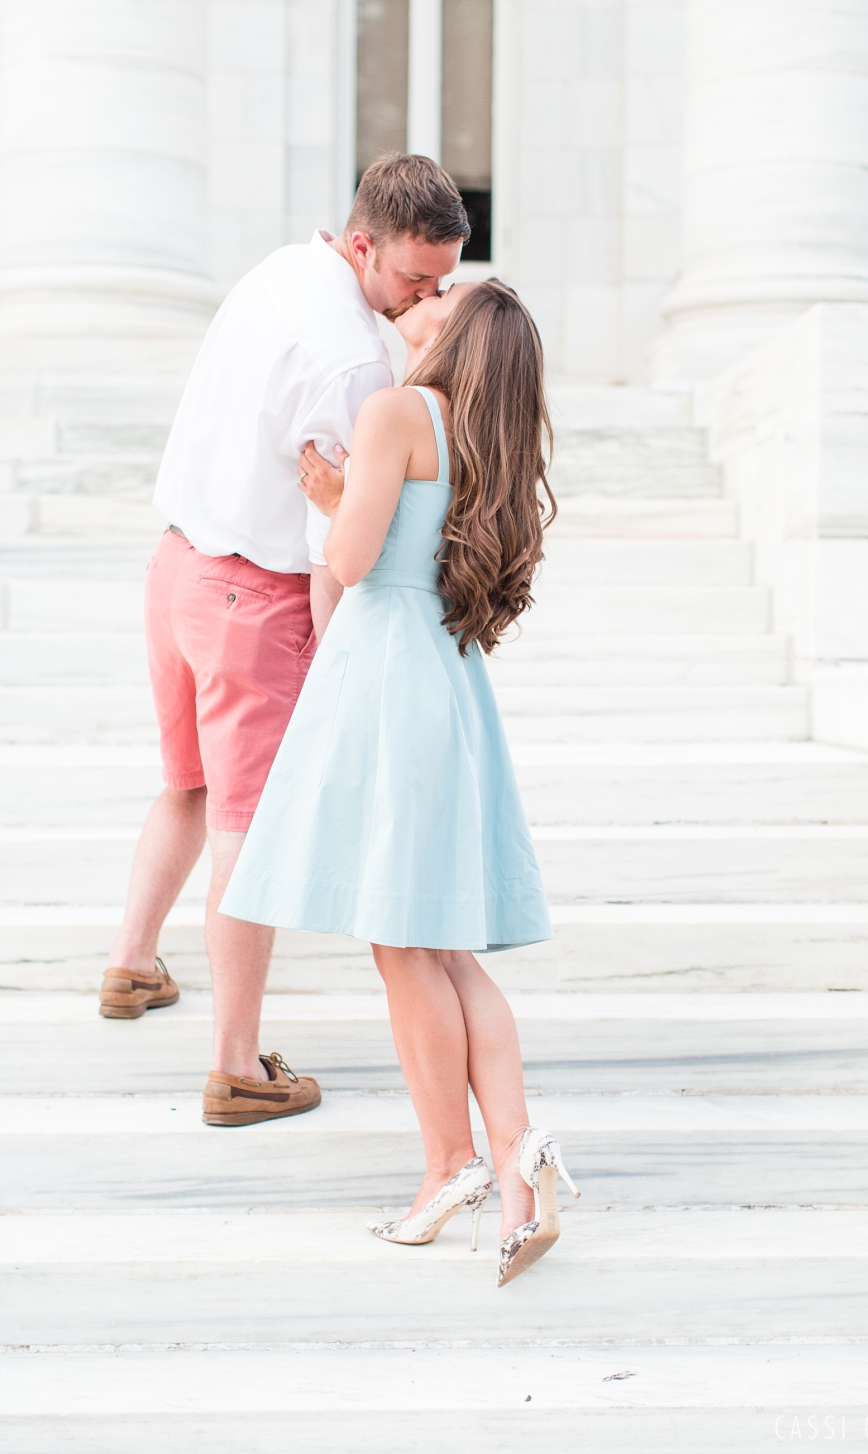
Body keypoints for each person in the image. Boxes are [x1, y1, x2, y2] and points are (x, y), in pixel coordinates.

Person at [220, 280, 580, 1286]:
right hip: (446, 682)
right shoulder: (486, 438)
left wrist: (335, 497)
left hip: (384, 676)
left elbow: (349, 555)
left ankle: (449, 1164)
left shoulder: (396, 411)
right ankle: (519, 1166)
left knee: (403, 940)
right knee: (447, 948)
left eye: (446, 294)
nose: (426, 297)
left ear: (453, 333)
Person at [98, 155, 469, 1130]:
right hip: (252, 595)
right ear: (363, 243)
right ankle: (235, 1066)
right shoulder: (353, 358)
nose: (427, 297)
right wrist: (340, 667)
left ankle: (132, 964)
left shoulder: (275, 271)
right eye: (414, 277)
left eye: (441, 280)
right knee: (248, 833)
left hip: (176, 565)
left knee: (187, 781)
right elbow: (331, 550)